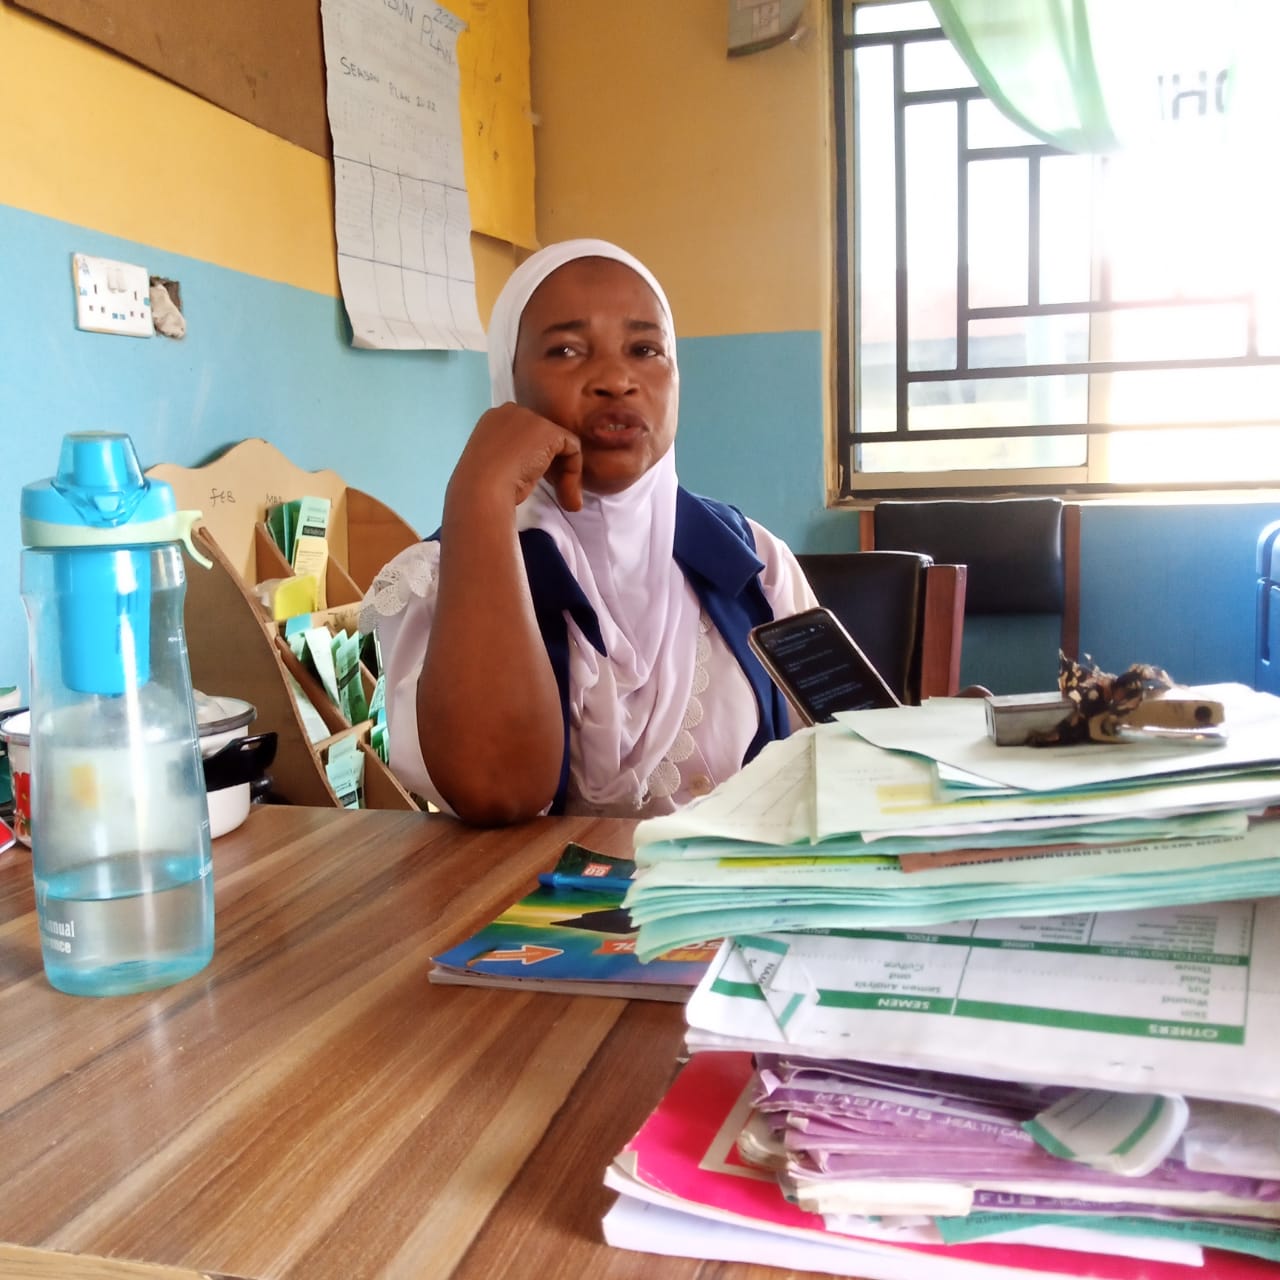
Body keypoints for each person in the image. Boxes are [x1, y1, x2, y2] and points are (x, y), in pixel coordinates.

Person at [360, 239, 817, 825]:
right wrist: (479, 495)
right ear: (508, 380)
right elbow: (498, 790)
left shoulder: (753, 560)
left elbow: (836, 755)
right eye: (567, 349)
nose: (615, 379)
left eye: (646, 348)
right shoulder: (439, 577)